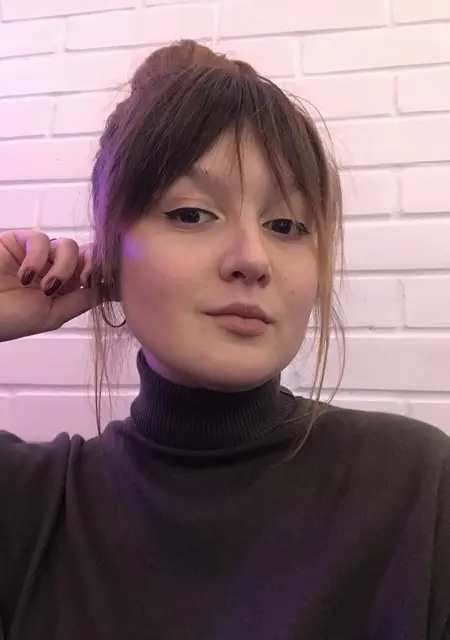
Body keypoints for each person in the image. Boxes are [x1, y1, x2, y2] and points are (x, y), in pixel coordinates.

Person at [0, 39, 448, 640]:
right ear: (109, 255)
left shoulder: (417, 489)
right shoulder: (28, 506)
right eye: (191, 214)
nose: (252, 259)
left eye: (286, 225)